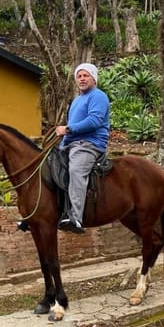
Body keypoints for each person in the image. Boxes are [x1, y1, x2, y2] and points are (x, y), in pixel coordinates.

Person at [55, 63, 110, 234]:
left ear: (94, 79)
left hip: (90, 144)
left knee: (76, 170)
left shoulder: (98, 96)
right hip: (71, 143)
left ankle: (75, 217)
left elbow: (94, 121)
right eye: (79, 76)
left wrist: (68, 129)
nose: (82, 79)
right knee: (49, 165)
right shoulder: (76, 100)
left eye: (86, 75)